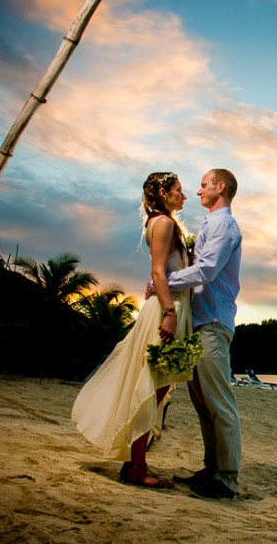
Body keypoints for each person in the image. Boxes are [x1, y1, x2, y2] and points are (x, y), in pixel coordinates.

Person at [72, 172, 192, 488]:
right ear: (164, 192)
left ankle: (135, 463)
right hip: (168, 309)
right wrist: (169, 313)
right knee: (152, 389)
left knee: (155, 387)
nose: (185, 196)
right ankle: (136, 467)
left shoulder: (160, 222)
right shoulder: (164, 224)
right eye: (180, 190)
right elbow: (157, 270)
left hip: (171, 305)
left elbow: (162, 271)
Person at [162, 168, 242, 500]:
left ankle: (226, 478)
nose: (199, 191)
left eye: (204, 185)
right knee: (202, 401)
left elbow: (207, 270)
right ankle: (211, 468)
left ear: (220, 188)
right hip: (199, 322)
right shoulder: (212, 223)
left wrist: (164, 283)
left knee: (219, 401)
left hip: (212, 322)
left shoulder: (224, 224)